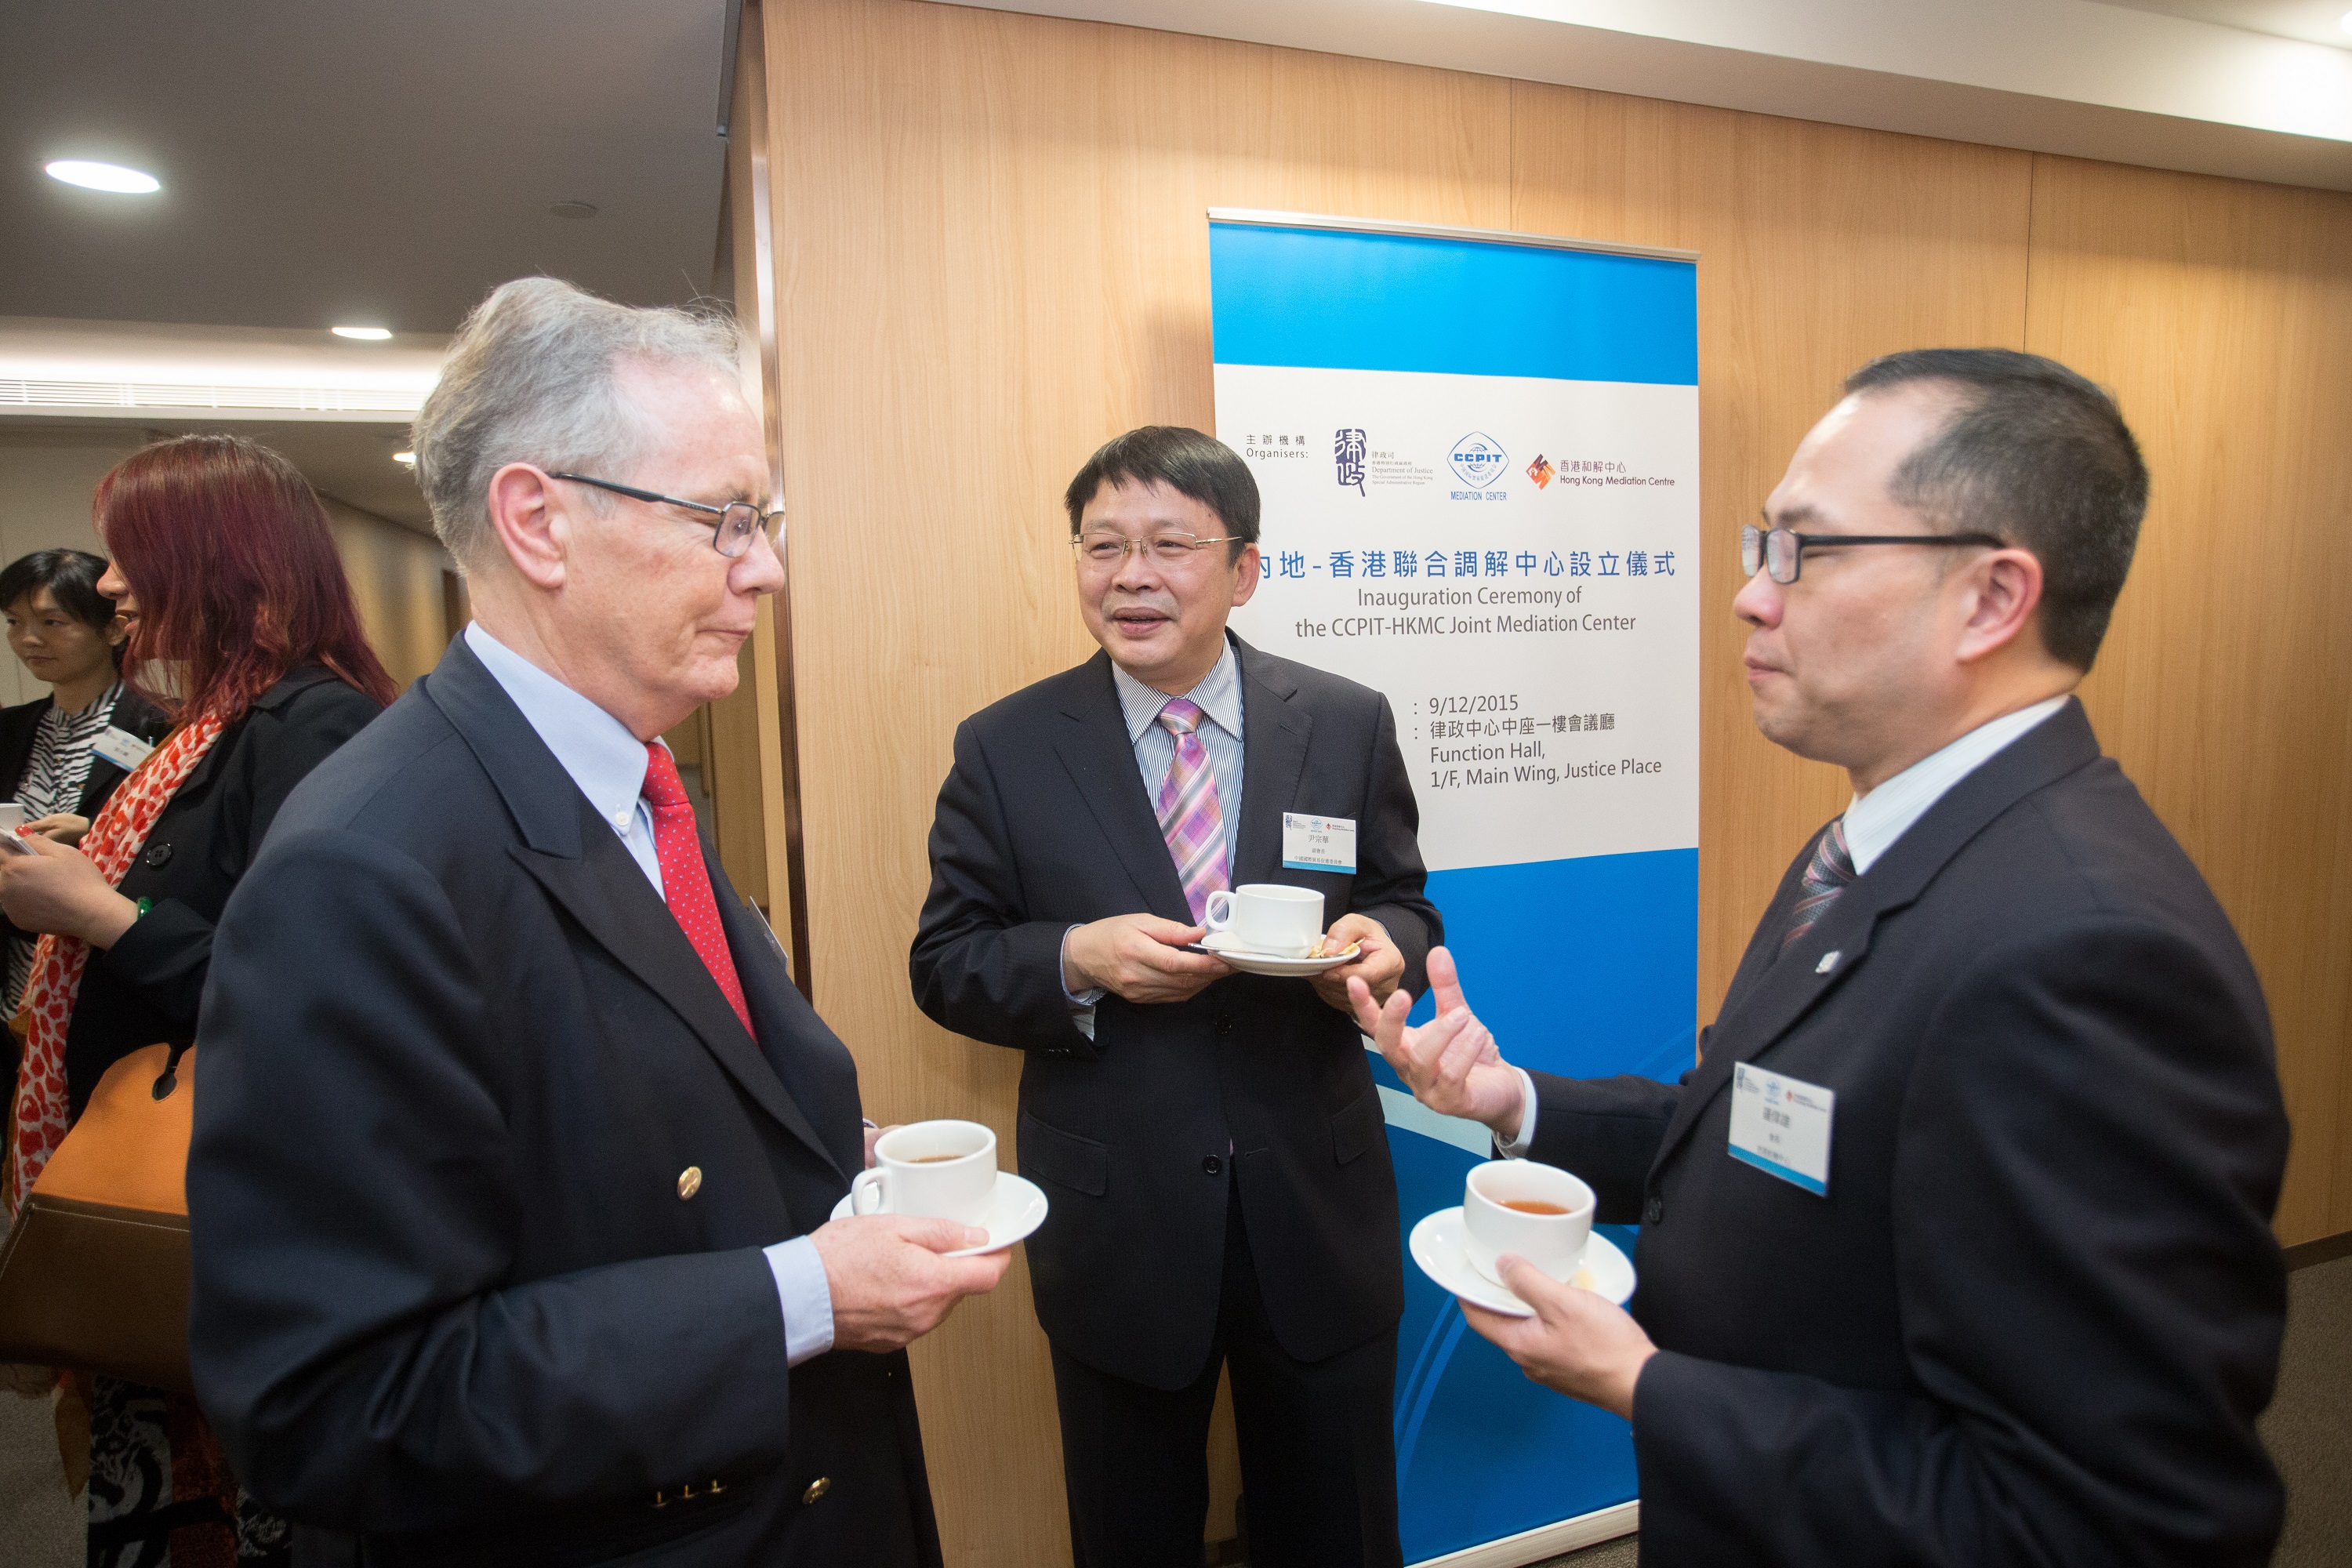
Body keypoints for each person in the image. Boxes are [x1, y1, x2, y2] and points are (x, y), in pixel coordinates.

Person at [1359, 350, 2289, 1566]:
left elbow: (2113, 1523)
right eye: (1765, 545)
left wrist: (1649, 1387)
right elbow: (1771, 1129)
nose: (1753, 595)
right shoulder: (1874, 844)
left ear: (1992, 598)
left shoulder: (2088, 955)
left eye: (1806, 549)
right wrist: (1515, 1102)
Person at [187, 277, 1008, 1567]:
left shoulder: (630, 780)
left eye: (765, 522)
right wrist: (800, 1296)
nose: (767, 567)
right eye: (725, 519)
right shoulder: (363, 868)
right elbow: (341, 1405)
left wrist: (804, 1156)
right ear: (539, 522)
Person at [910, 426, 1440, 1568]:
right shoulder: (1006, 747)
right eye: (1103, 546)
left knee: (1339, 1529)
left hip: (1317, 1205)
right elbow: (946, 958)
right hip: (1121, 1223)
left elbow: (1403, 899)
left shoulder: (1345, 721)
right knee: (1132, 1534)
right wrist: (1077, 959)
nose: (1130, 576)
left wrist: (1381, 946)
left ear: (1244, 569)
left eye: (1168, 546)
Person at [0, 436, 397, 1566]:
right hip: (173, 1186)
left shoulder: (311, 724)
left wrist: (101, 911)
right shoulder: (216, 719)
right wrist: (93, 860)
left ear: (216, 565)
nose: (110, 584)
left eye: (129, 558)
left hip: (227, 1206)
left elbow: (308, 990)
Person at [0, 549, 170, 1015]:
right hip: (17, 983)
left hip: (108, 976)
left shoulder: (163, 727)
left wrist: (95, 834)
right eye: (14, 622)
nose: (28, 639)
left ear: (113, 630)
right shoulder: (10, 730)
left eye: (52, 622)